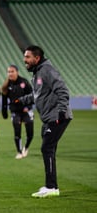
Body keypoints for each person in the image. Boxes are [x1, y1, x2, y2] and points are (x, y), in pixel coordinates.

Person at [19, 45, 73, 198]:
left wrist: (61, 112)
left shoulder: (47, 70)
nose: (25, 60)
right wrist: (21, 101)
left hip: (57, 116)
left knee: (47, 148)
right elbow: (37, 96)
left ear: (37, 58)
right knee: (49, 149)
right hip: (49, 117)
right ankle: (52, 186)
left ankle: (51, 187)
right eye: (25, 57)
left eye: (28, 57)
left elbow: (62, 90)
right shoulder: (38, 73)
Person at [2, 65, 34, 159]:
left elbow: (32, 95)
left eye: (12, 71)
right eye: (8, 72)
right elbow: (4, 100)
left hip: (26, 110)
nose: (10, 73)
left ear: (17, 72)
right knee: (17, 131)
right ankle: (19, 152)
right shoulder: (7, 85)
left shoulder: (24, 82)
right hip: (15, 111)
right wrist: (4, 112)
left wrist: (28, 107)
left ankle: (26, 147)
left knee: (30, 133)